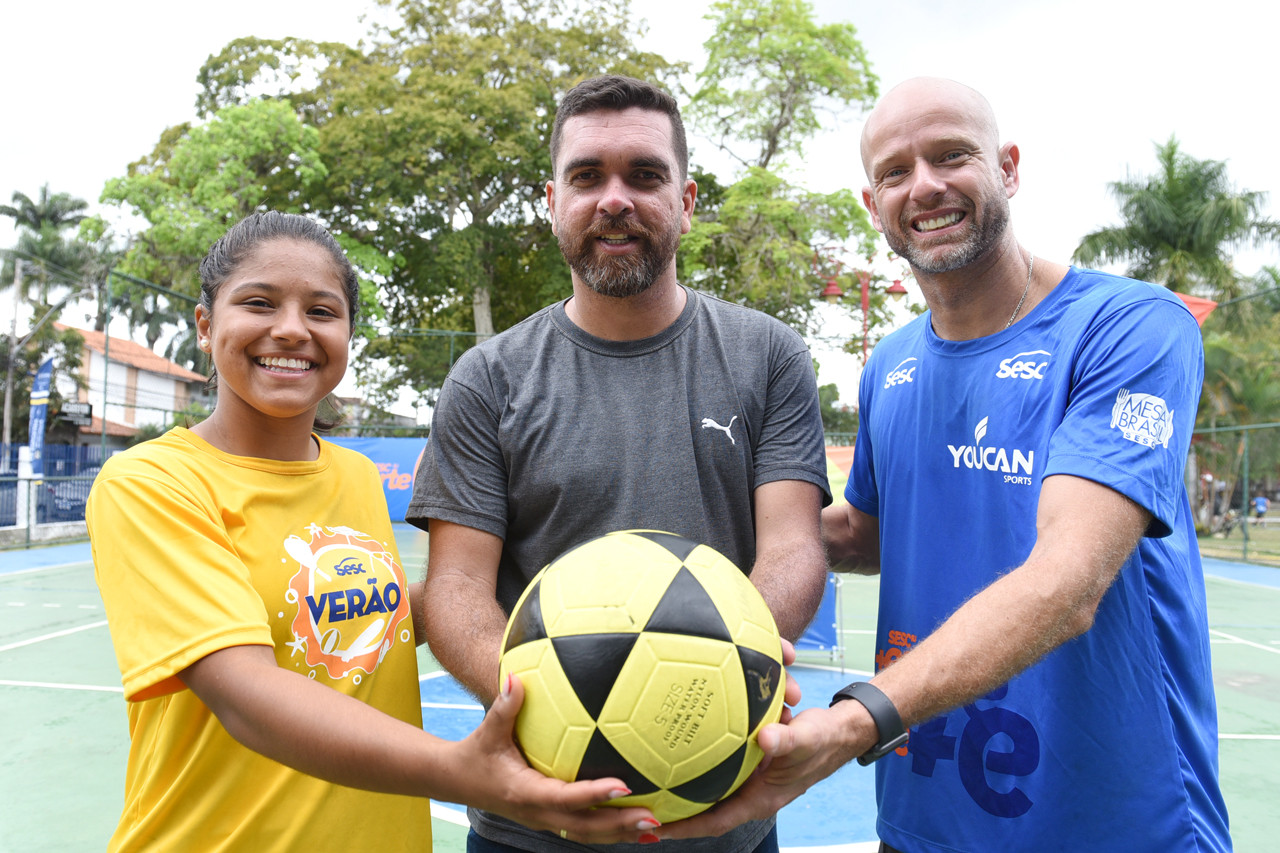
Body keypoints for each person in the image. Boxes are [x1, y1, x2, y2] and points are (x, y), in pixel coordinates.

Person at [658, 77, 1233, 852]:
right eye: (895, 171)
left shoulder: (1130, 327)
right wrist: (675, 542)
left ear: (1009, 168)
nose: (924, 186)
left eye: (952, 156)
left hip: (1115, 826)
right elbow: (863, 533)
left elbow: (1069, 583)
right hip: (923, 821)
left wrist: (856, 717)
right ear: (873, 204)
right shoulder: (892, 362)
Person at [87, 211, 660, 852]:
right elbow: (244, 691)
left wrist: (579, 592)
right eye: (258, 303)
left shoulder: (356, 476)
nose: (292, 330)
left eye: (323, 311)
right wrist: (463, 773)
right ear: (204, 325)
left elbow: (372, 619)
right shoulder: (151, 482)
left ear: (348, 335)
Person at [407, 75, 830, 853]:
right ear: (551, 200)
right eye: (587, 176)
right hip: (529, 823)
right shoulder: (487, 376)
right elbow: (458, 587)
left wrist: (729, 669)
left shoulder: (767, 354)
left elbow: (794, 545)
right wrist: (553, 712)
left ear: (687, 199)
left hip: (721, 818)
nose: (614, 199)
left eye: (644, 175)